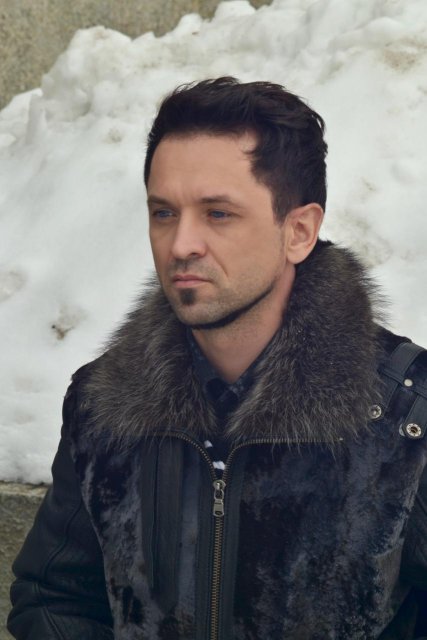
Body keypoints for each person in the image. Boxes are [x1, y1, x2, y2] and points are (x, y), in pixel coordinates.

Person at [8, 77, 427, 640]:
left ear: (299, 231)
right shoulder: (103, 404)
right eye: (163, 213)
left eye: (218, 214)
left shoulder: (406, 415)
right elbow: (53, 597)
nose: (181, 244)